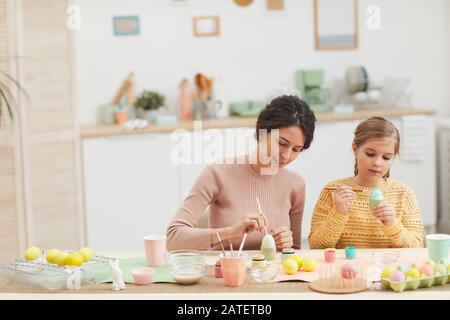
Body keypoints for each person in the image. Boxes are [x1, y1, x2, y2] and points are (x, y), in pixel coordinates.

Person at [166, 95, 316, 250]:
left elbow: (296, 253)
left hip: (271, 274)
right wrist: (231, 232)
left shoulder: (295, 185)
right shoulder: (217, 173)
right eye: (282, 143)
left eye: (296, 150)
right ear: (262, 130)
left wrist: (286, 245)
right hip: (225, 272)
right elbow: (173, 238)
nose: (286, 155)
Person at [309, 116, 424, 249]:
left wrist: (393, 223)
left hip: (388, 269)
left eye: (386, 157)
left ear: (394, 157)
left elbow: (417, 247)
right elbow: (316, 246)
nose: (377, 163)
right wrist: (338, 212)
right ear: (355, 148)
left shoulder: (404, 193)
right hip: (347, 269)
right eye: (370, 154)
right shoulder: (332, 191)